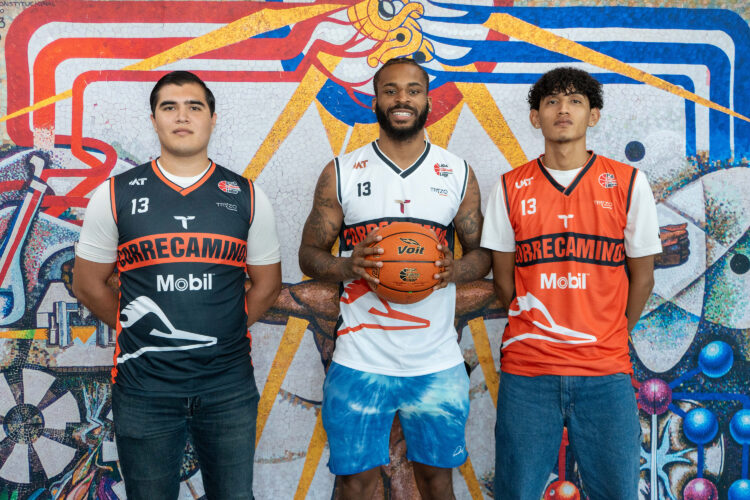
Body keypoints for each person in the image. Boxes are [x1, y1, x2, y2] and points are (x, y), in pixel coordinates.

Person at [73, 71, 281, 500]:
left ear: (212, 119)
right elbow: (88, 284)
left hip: (227, 388)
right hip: (145, 390)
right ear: (154, 120)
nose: (182, 116)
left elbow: (267, 285)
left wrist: (223, 329)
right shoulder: (115, 194)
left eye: (194, 107)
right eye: (169, 107)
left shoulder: (246, 195)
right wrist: (140, 331)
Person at [298, 57, 490, 500]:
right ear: (375, 101)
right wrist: (347, 267)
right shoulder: (342, 171)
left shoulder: (457, 172)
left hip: (435, 361)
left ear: (428, 101)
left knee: (437, 482)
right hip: (359, 360)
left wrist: (456, 270)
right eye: (390, 90)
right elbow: (309, 254)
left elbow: (482, 253)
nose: (402, 99)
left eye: (413, 90)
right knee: (354, 484)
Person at [481, 67, 662, 499]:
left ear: (593, 115)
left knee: (617, 492)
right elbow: (504, 281)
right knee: (516, 492)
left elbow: (643, 277)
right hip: (529, 372)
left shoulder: (628, 183)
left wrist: (611, 332)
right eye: (552, 102)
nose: (563, 109)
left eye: (575, 101)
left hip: (605, 372)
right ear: (535, 117)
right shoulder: (509, 187)